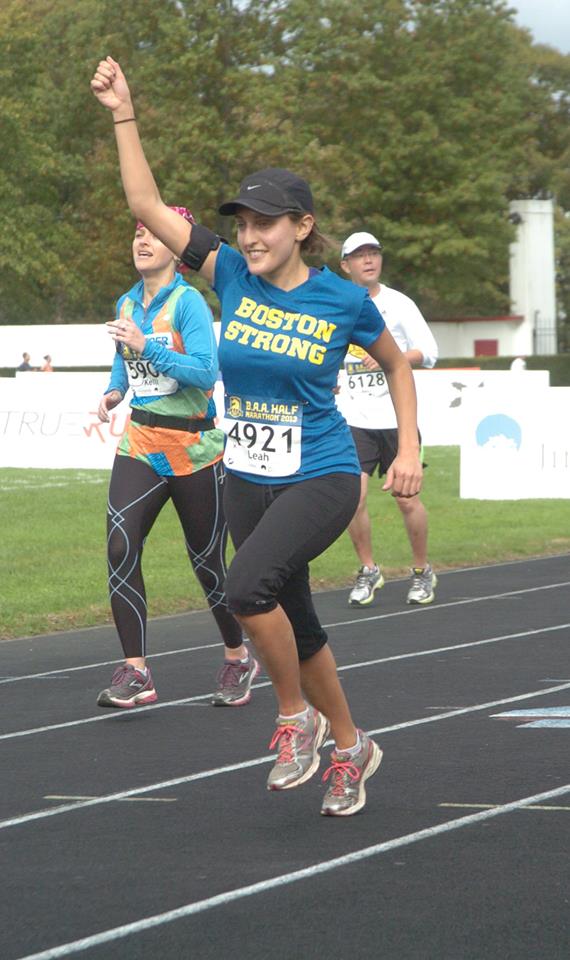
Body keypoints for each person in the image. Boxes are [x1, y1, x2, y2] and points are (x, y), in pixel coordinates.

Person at [91, 57, 422, 817]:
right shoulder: (231, 274)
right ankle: (352, 748)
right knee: (295, 621)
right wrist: (123, 112)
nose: (249, 236)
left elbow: (397, 365)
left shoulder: (342, 299)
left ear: (302, 227)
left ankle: (294, 718)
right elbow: (144, 202)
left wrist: (407, 448)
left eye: (264, 223)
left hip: (323, 471)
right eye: (241, 224)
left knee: (244, 589)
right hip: (248, 473)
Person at [96, 204, 258, 711]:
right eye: (137, 234)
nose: (143, 241)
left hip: (194, 450)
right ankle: (136, 670)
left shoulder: (188, 303)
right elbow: (124, 362)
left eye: (154, 235)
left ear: (176, 250)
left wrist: (149, 347)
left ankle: (237, 656)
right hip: (140, 443)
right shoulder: (127, 302)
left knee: (208, 565)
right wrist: (114, 392)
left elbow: (205, 372)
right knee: (120, 547)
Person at [339, 231, 439, 606]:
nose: (369, 260)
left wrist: (391, 356)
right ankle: (368, 569)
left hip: (397, 419)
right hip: (355, 419)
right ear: (345, 265)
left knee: (406, 501)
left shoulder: (399, 304)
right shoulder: (338, 304)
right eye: (359, 255)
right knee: (352, 499)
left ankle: (422, 570)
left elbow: (429, 352)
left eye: (374, 253)